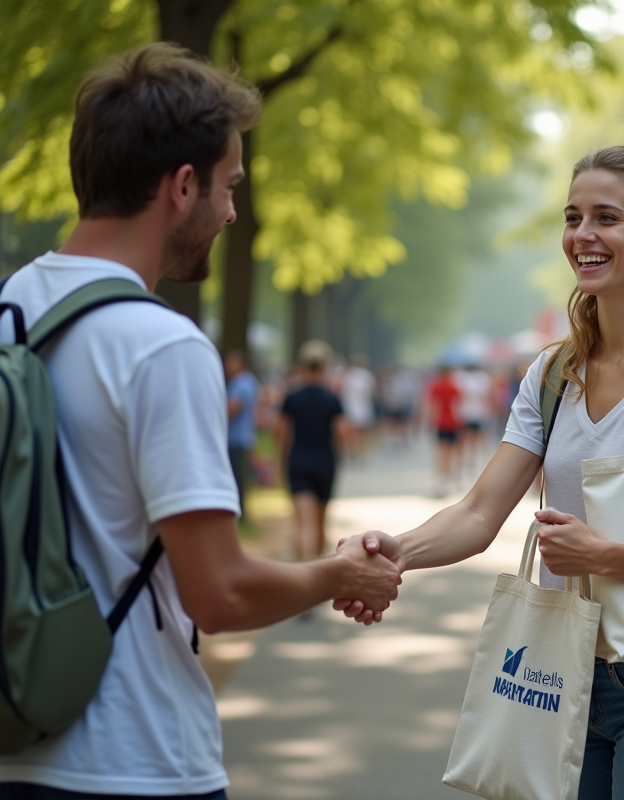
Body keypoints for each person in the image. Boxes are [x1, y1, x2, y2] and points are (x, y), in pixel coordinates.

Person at [0, 44, 399, 800]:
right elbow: (220, 594)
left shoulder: (12, 306)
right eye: (229, 187)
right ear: (183, 186)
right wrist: (339, 575)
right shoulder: (161, 344)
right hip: (133, 756)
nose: (233, 213)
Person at [338, 146, 624, 800]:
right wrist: (396, 554)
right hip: (565, 670)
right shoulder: (552, 375)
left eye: (605, 217)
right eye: (573, 217)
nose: (582, 236)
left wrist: (603, 554)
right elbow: (479, 512)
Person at [277, 340, 346, 564]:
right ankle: (317, 578)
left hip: (298, 462)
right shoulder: (332, 398)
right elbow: (341, 433)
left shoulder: (292, 397)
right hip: (325, 463)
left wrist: (281, 460)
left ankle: (302, 576)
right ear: (325, 366)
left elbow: (281, 432)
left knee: (303, 523)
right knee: (319, 523)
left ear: (302, 366)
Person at [224, 350, 259, 514]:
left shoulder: (242, 382)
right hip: (240, 437)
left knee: (237, 478)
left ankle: (239, 512)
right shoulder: (245, 381)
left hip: (238, 438)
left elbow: (232, 408)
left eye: (232, 362)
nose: (228, 366)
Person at [426, 364, 462, 496]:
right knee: (450, 453)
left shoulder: (436, 387)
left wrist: (430, 421)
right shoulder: (454, 387)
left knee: (441, 452)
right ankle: (447, 479)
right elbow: (458, 405)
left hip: (440, 422)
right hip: (452, 421)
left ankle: (441, 479)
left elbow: (432, 405)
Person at [455, 363, 494, 466]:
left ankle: (465, 459)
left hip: (466, 413)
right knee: (473, 437)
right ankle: (471, 458)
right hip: (474, 413)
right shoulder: (482, 378)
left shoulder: (460, 378)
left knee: (465, 437)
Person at [339, 354, 376, 459]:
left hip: (349, 408)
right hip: (363, 408)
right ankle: (360, 452)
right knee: (361, 433)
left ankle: (353, 451)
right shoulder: (366, 375)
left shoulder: (348, 375)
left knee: (352, 433)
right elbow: (372, 392)